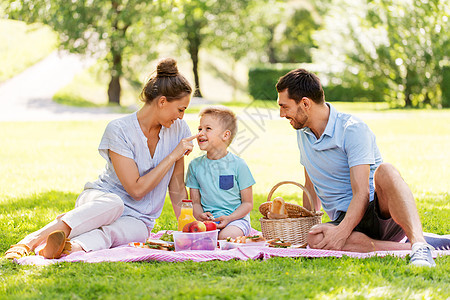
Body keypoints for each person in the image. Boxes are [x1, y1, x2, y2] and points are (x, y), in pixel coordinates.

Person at [5, 58, 199, 260]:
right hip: (102, 199)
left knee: (125, 233)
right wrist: (173, 155)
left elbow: (176, 187)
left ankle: (66, 248)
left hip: (139, 217)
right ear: (162, 102)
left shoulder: (178, 130)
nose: (182, 117)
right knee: (115, 204)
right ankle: (31, 240)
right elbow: (137, 189)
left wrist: (188, 227)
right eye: (181, 109)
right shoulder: (119, 130)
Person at [276, 68, 438, 267]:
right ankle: (417, 247)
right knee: (316, 239)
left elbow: (361, 193)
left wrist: (341, 233)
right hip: (345, 219)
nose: (282, 114)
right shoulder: (303, 133)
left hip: (376, 212)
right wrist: (307, 228)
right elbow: (310, 184)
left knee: (386, 171)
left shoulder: (352, 129)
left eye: (284, 107)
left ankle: (419, 244)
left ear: (305, 104)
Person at [186, 106, 255, 240]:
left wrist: (230, 218)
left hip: (236, 220)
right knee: (192, 237)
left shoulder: (239, 165)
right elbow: (195, 203)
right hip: (208, 222)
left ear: (225, 135)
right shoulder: (194, 166)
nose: (200, 133)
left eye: (208, 129)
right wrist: (200, 215)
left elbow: (248, 203)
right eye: (200, 129)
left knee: (226, 237)